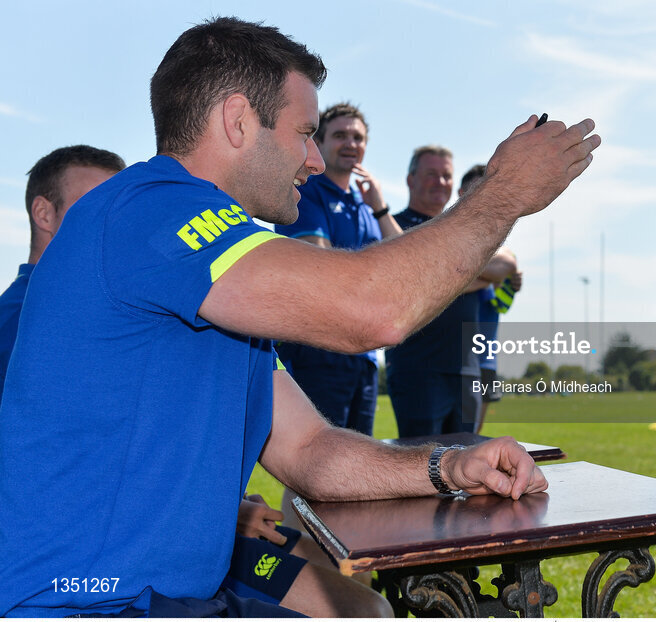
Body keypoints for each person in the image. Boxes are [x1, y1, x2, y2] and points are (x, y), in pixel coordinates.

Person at [0, 17, 598, 617]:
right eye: (304, 132)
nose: (313, 159)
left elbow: (312, 451)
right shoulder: (152, 207)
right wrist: (504, 194)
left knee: (366, 610)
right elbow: (375, 311)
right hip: (83, 604)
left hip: (174, 593)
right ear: (238, 121)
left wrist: (448, 466)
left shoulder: (217, 279)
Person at [2, 146, 378, 617]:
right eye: (100, 199)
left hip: (204, 543)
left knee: (358, 583)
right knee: (358, 607)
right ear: (44, 212)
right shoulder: (25, 319)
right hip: (101, 578)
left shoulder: (162, 294)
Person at [274, 102, 401, 436]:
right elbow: (323, 270)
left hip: (365, 355)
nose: (351, 144)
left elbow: (407, 266)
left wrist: (381, 208)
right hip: (319, 350)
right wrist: (381, 279)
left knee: (358, 466)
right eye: (340, 135)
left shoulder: (366, 205)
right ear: (319, 141)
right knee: (315, 462)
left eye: (358, 137)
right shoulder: (305, 191)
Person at [386, 148, 518, 437]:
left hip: (467, 372)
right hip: (418, 371)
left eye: (446, 175)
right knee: (419, 469)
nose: (440, 182)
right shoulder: (393, 226)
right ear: (410, 179)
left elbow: (504, 265)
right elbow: (411, 282)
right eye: (431, 174)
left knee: (467, 468)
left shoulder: (463, 230)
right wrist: (473, 274)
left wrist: (442, 274)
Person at [0, 146, 125, 398]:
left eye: (119, 208)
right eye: (92, 206)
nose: (111, 221)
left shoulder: (93, 307)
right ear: (44, 214)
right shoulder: (19, 322)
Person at [459, 164, 522, 432]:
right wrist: (486, 274)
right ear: (460, 193)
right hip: (455, 358)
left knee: (474, 437)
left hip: (485, 358)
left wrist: (463, 275)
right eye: (473, 191)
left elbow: (507, 265)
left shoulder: (500, 244)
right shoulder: (450, 239)